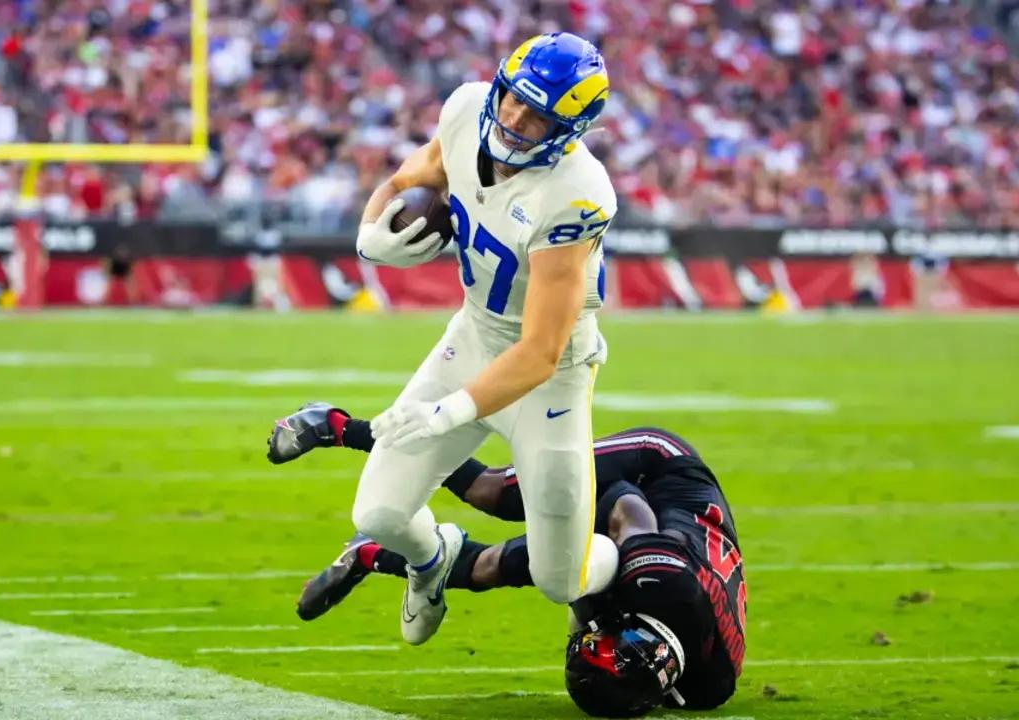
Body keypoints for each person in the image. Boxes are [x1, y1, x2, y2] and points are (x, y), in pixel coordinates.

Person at [341, 31, 619, 646]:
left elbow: (541, 350)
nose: (516, 118)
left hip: (551, 378)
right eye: (515, 99)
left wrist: (449, 412)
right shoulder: (468, 109)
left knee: (559, 578)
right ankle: (435, 557)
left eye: (539, 114)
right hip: (472, 337)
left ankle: (636, 551)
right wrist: (371, 235)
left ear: (571, 129)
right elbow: (410, 178)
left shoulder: (577, 194)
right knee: (378, 514)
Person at [268, 402, 745, 715]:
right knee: (494, 492)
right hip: (655, 471)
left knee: (487, 569)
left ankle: (370, 555)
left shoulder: (703, 689)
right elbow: (622, 504)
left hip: (661, 569)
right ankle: (340, 428)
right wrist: (568, 559)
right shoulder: (661, 578)